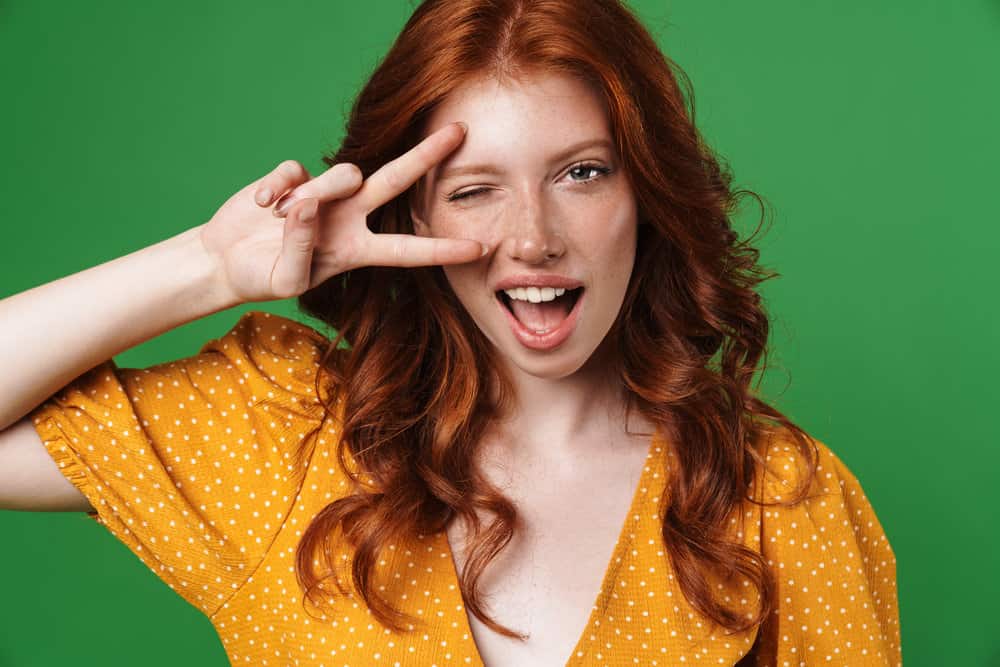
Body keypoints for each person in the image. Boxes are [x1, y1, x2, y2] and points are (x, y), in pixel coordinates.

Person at [0, 0, 901, 664]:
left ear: (647, 197)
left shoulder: (780, 500)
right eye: (475, 188)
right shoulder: (284, 433)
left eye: (582, 173)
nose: (533, 238)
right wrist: (209, 266)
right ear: (411, 218)